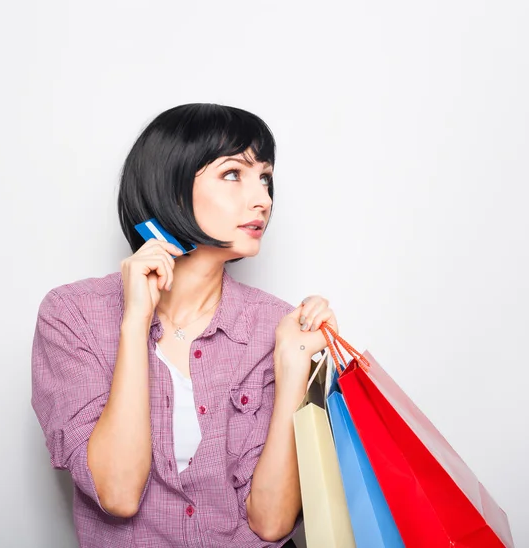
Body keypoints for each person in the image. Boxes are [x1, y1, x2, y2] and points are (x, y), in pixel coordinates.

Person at [31, 103, 339, 548]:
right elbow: (117, 494)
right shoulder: (72, 315)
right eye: (234, 174)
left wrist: (294, 368)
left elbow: (271, 524)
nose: (263, 199)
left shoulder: (277, 324)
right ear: (172, 187)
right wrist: (135, 323)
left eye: (265, 178)